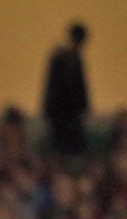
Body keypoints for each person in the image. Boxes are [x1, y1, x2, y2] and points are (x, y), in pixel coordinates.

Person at [42, 22, 90, 156]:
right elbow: (74, 88)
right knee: (70, 150)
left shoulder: (59, 56)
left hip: (58, 113)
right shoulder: (72, 58)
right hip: (67, 114)